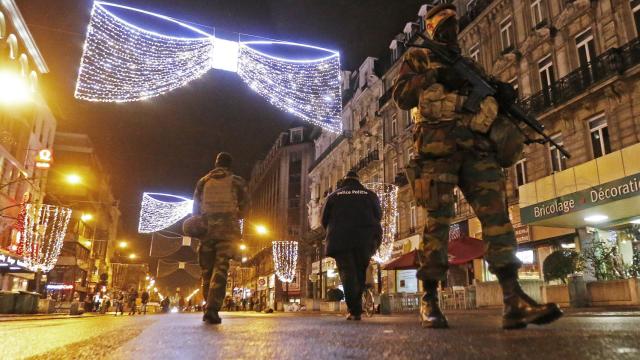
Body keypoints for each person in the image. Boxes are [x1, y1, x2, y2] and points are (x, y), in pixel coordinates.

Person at [392, 4, 562, 329]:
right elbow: (401, 96)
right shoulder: (419, 58)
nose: (450, 30)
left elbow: (489, 102)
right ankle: (429, 298)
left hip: (476, 147)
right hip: (437, 148)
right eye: (442, 25)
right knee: (437, 224)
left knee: (498, 220)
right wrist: (435, 75)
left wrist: (502, 95)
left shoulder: (470, 65)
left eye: (453, 24)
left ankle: (513, 300)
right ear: (430, 29)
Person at [185, 152, 249, 325]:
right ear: (230, 165)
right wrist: (233, 215)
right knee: (220, 269)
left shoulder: (203, 182)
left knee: (206, 271)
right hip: (228, 232)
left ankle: (209, 305)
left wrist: (202, 224)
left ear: (216, 164)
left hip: (206, 231)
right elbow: (244, 207)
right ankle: (212, 309)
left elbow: (195, 209)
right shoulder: (237, 181)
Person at [321, 170, 382, 321]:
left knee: (347, 273)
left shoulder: (334, 196)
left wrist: (333, 230)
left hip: (341, 240)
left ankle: (354, 310)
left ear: (344, 181)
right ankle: (356, 307)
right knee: (361, 272)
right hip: (364, 239)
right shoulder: (369, 195)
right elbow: (378, 215)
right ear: (358, 180)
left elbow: (324, 219)